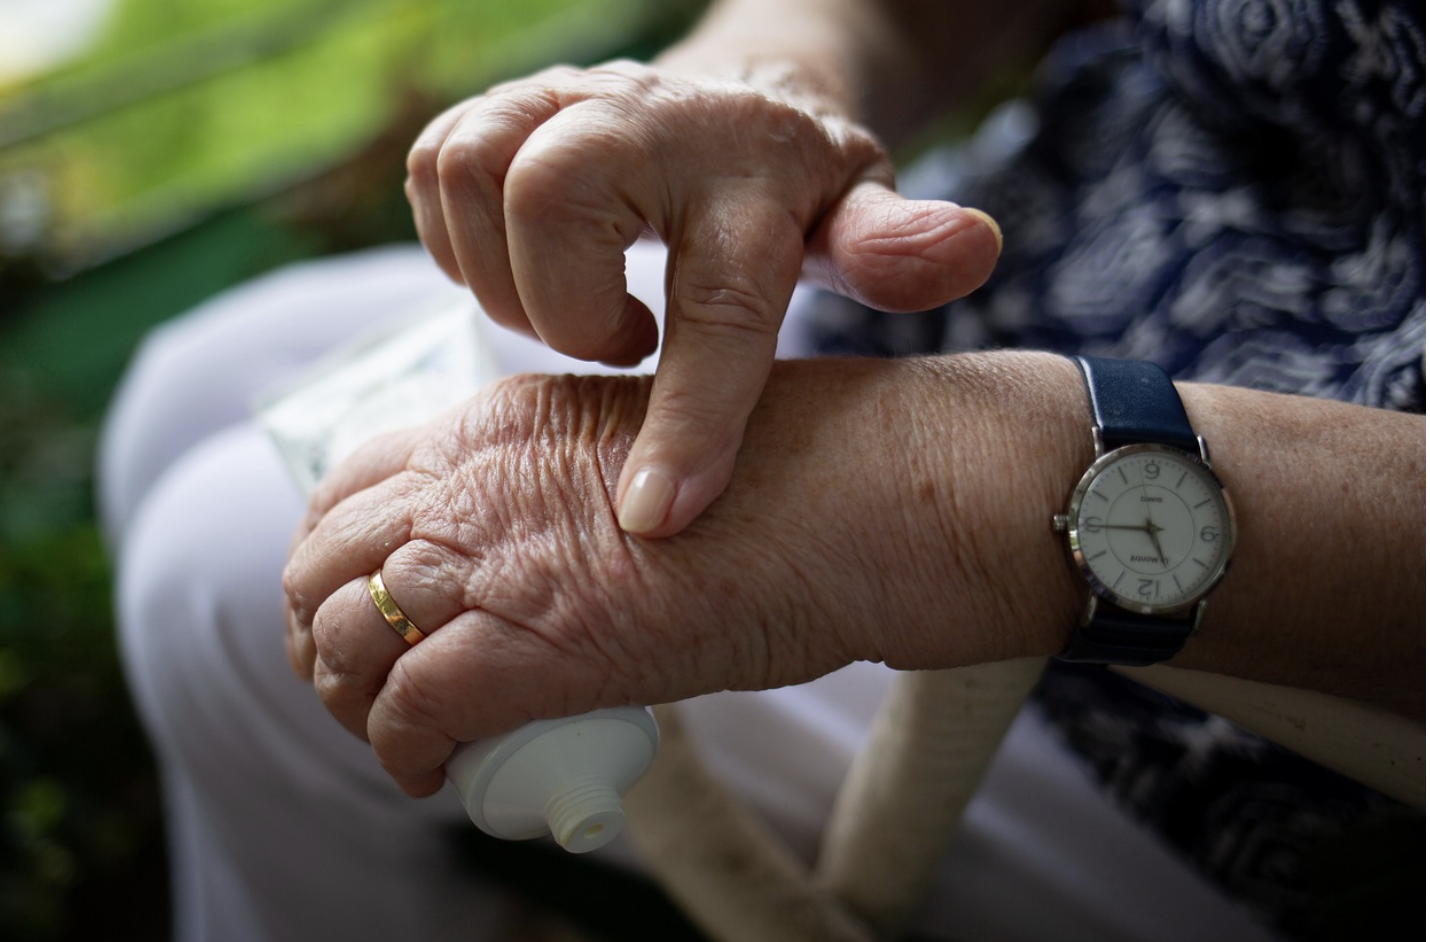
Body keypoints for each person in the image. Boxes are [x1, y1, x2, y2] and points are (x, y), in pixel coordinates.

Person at [101, 0, 1424, 940]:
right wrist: (772, 79)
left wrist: (977, 487)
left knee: (218, 583)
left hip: (1235, 660)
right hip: (973, 282)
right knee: (194, 385)